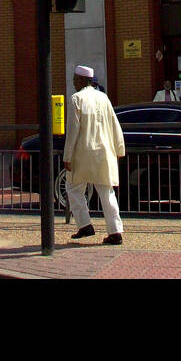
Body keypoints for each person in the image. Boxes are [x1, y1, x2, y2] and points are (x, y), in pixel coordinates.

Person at [63, 64, 127, 245]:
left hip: (83, 153)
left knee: (74, 188)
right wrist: (119, 148)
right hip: (104, 153)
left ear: (82, 80)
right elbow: (115, 124)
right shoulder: (103, 98)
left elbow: (73, 131)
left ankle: (84, 225)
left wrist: (67, 156)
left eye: (75, 79)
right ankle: (115, 232)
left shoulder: (76, 99)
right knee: (107, 192)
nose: (74, 83)